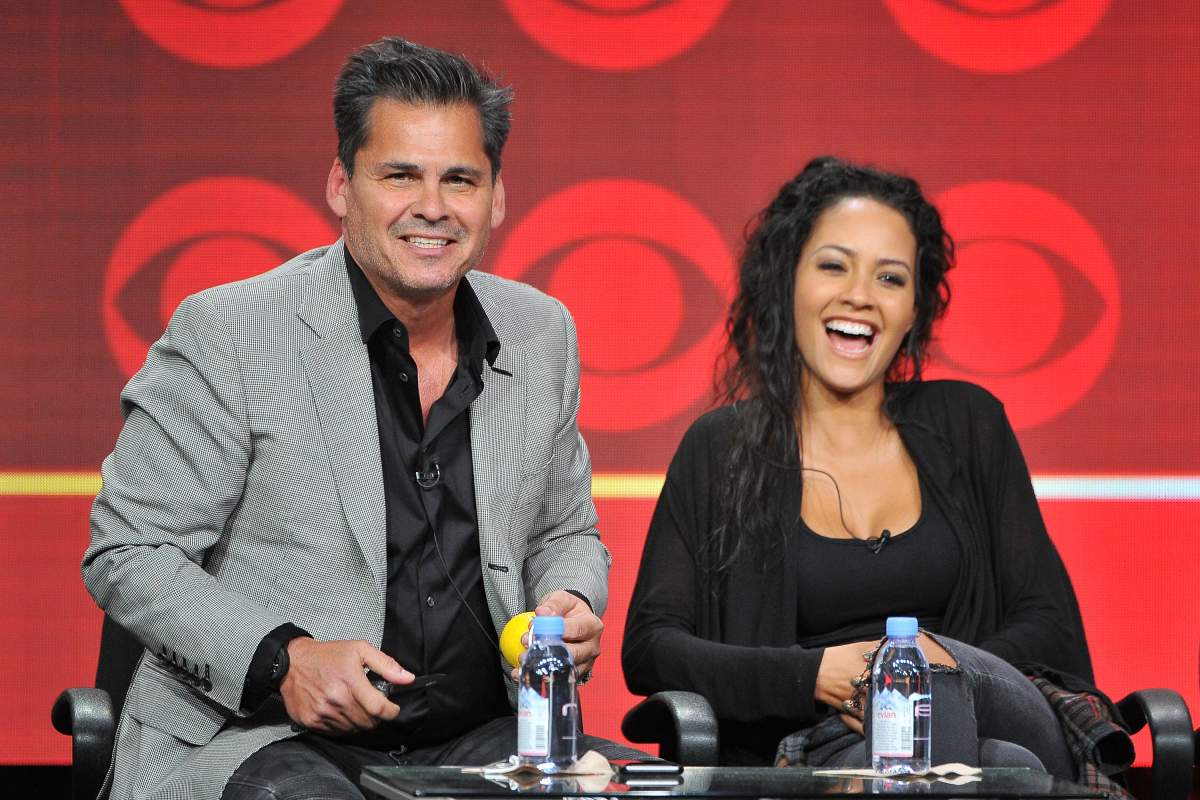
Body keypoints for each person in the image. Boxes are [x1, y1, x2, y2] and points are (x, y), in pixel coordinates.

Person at [84, 37, 640, 800]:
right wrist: (283, 661)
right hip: (264, 736)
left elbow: (564, 532)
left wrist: (569, 599)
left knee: (645, 788)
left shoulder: (540, 331)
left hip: (480, 736)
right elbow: (129, 550)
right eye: (400, 175)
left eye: (460, 180)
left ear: (497, 197)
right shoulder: (233, 330)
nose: (433, 207)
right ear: (343, 184)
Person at [621, 157, 1096, 776]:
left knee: (937, 708)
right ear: (786, 281)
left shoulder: (969, 423)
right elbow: (653, 648)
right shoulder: (720, 448)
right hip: (825, 744)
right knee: (1000, 767)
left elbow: (1050, 626)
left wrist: (919, 665)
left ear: (914, 311)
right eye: (833, 266)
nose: (860, 296)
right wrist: (814, 676)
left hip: (989, 702)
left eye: (890, 278)